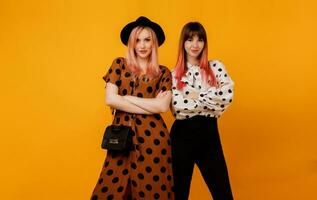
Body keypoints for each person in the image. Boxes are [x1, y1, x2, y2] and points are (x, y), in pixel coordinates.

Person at [91, 16, 174, 200]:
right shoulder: (119, 64)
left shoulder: (164, 72)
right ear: (131, 43)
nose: (142, 45)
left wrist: (126, 98)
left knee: (153, 193)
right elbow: (111, 100)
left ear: (154, 43)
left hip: (154, 141)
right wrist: (148, 105)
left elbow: (161, 106)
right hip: (121, 138)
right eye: (137, 40)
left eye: (147, 40)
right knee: (110, 190)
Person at [170, 22, 234, 200]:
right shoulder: (173, 74)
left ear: (205, 43)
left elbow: (227, 96)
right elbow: (179, 107)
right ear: (183, 43)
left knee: (223, 194)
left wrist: (194, 95)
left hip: (209, 134)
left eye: (200, 39)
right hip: (181, 137)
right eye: (190, 39)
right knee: (179, 195)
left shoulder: (216, 67)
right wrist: (210, 97)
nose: (195, 44)